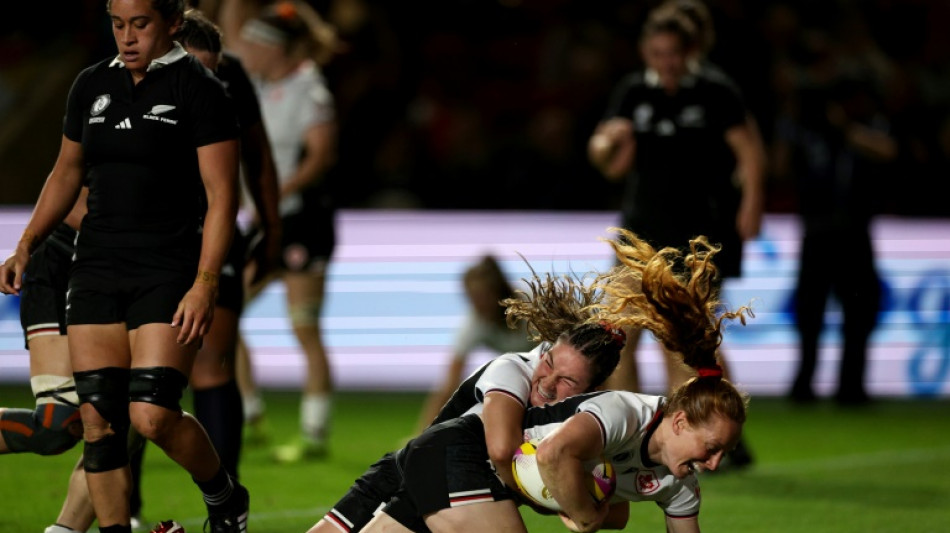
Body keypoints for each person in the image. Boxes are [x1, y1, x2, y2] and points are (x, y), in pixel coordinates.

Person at [0, 1, 249, 532]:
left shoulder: (200, 90)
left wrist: (205, 284)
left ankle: (225, 496)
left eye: (140, 24)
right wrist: (26, 242)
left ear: (171, 23)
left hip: (166, 268)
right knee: (97, 423)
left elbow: (223, 196)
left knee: (151, 414)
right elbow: (65, 172)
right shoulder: (90, 84)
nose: (127, 37)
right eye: (118, 25)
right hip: (94, 269)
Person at [362, 228, 753, 533]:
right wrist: (581, 513)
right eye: (712, 448)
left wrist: (587, 504)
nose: (715, 464)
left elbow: (614, 514)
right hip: (462, 452)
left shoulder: (678, 480)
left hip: (462, 461)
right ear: (681, 421)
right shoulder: (620, 413)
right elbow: (547, 457)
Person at [307, 250, 629, 533]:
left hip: (437, 475)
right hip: (433, 468)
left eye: (567, 382)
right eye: (548, 363)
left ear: (592, 390)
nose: (547, 382)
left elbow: (618, 511)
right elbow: (503, 453)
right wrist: (562, 503)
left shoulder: (590, 418)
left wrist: (581, 501)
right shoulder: (510, 371)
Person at [587, 4, 763, 468]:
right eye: (657, 52)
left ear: (689, 52)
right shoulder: (632, 92)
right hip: (639, 242)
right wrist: (607, 142)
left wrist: (752, 204)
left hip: (696, 245)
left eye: (673, 53)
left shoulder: (715, 92)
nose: (665, 62)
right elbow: (611, 161)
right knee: (615, 339)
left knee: (685, 349)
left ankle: (710, 439)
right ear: (647, 50)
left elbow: (750, 151)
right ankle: (625, 436)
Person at [229, 0, 341, 462]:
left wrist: (276, 193)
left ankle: (314, 432)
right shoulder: (256, 82)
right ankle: (249, 414)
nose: (246, 49)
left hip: (301, 223)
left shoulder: (310, 89)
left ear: (277, 50)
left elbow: (321, 154)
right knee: (223, 310)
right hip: (264, 222)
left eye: (256, 44)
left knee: (304, 328)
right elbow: (232, 26)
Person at [774, 72, 894, 405]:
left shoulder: (868, 127)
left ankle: (851, 386)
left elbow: (887, 152)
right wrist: (790, 124)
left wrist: (843, 128)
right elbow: (780, 169)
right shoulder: (806, 132)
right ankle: (804, 384)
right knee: (810, 314)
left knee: (858, 313)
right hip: (817, 232)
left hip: (855, 234)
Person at [410, 254, 535, 437]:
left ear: (498, 293)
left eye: (481, 297)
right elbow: (450, 383)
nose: (476, 305)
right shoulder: (475, 324)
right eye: (471, 298)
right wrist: (421, 434)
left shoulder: (533, 306)